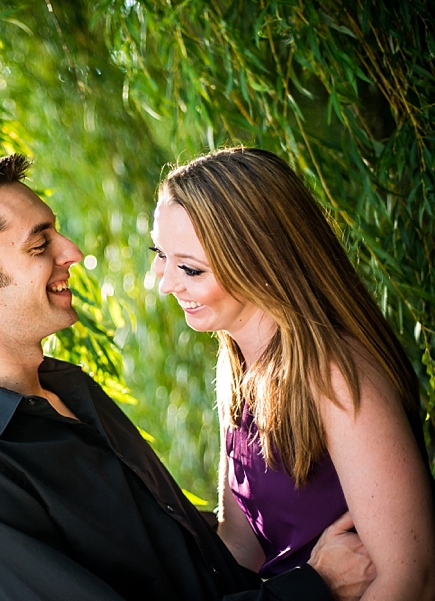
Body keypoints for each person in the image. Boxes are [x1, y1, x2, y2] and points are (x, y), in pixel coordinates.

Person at [0, 153, 374, 601]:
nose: (71, 251)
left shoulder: (68, 388)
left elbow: (182, 559)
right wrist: (314, 588)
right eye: (39, 244)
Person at [149, 147, 435, 599]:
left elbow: (413, 580)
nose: (165, 282)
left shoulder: (334, 374)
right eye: (160, 254)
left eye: (190, 268)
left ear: (260, 259)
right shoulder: (238, 366)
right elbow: (243, 549)